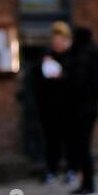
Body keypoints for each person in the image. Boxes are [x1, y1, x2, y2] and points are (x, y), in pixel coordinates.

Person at [63, 25, 98, 195]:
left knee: (82, 147)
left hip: (81, 109)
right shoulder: (95, 52)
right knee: (83, 146)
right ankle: (86, 184)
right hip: (90, 108)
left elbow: (77, 83)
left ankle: (88, 186)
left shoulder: (82, 55)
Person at [30, 21, 73, 184]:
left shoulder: (72, 56)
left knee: (69, 139)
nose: (57, 43)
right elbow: (35, 77)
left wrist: (63, 75)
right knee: (50, 139)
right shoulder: (46, 55)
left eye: (60, 39)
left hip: (68, 105)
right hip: (49, 105)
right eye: (55, 39)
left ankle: (71, 169)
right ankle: (51, 169)